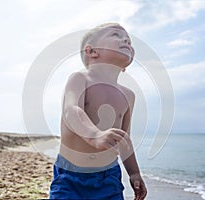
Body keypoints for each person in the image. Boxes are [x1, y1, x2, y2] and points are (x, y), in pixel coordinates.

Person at [49, 23, 147, 200]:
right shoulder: (80, 78)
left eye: (130, 41)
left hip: (108, 177)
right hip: (70, 176)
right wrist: (94, 135)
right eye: (116, 35)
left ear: (125, 66)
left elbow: (124, 139)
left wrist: (134, 173)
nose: (126, 40)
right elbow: (71, 111)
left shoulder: (128, 95)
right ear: (92, 51)